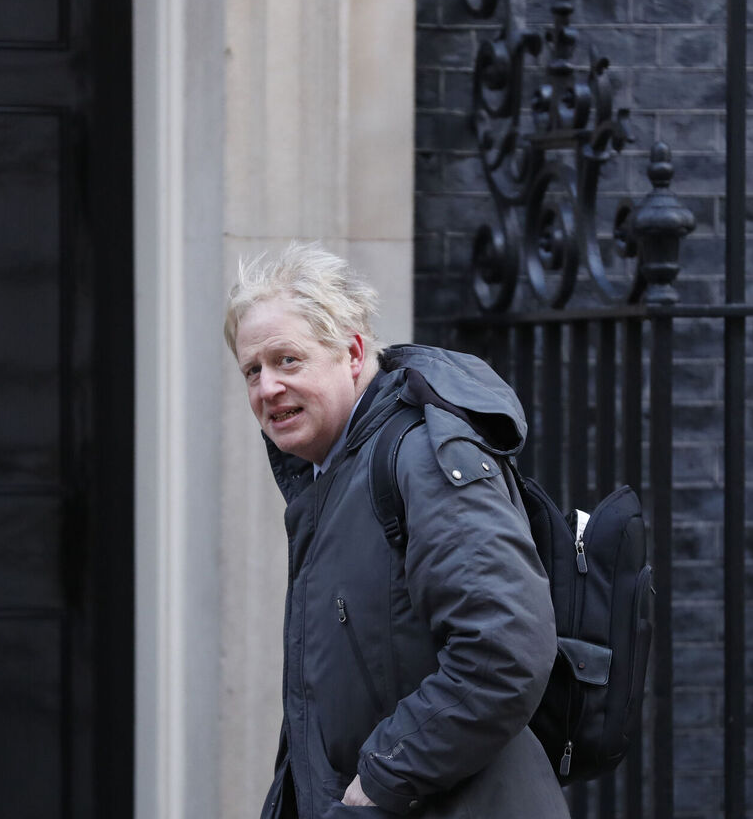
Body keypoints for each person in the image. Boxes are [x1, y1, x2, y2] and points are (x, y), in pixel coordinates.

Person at [224, 242, 569, 818]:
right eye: (252, 371)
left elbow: (504, 652)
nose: (267, 388)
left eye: (288, 360)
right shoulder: (329, 479)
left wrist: (381, 778)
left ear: (354, 353)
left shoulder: (422, 457)